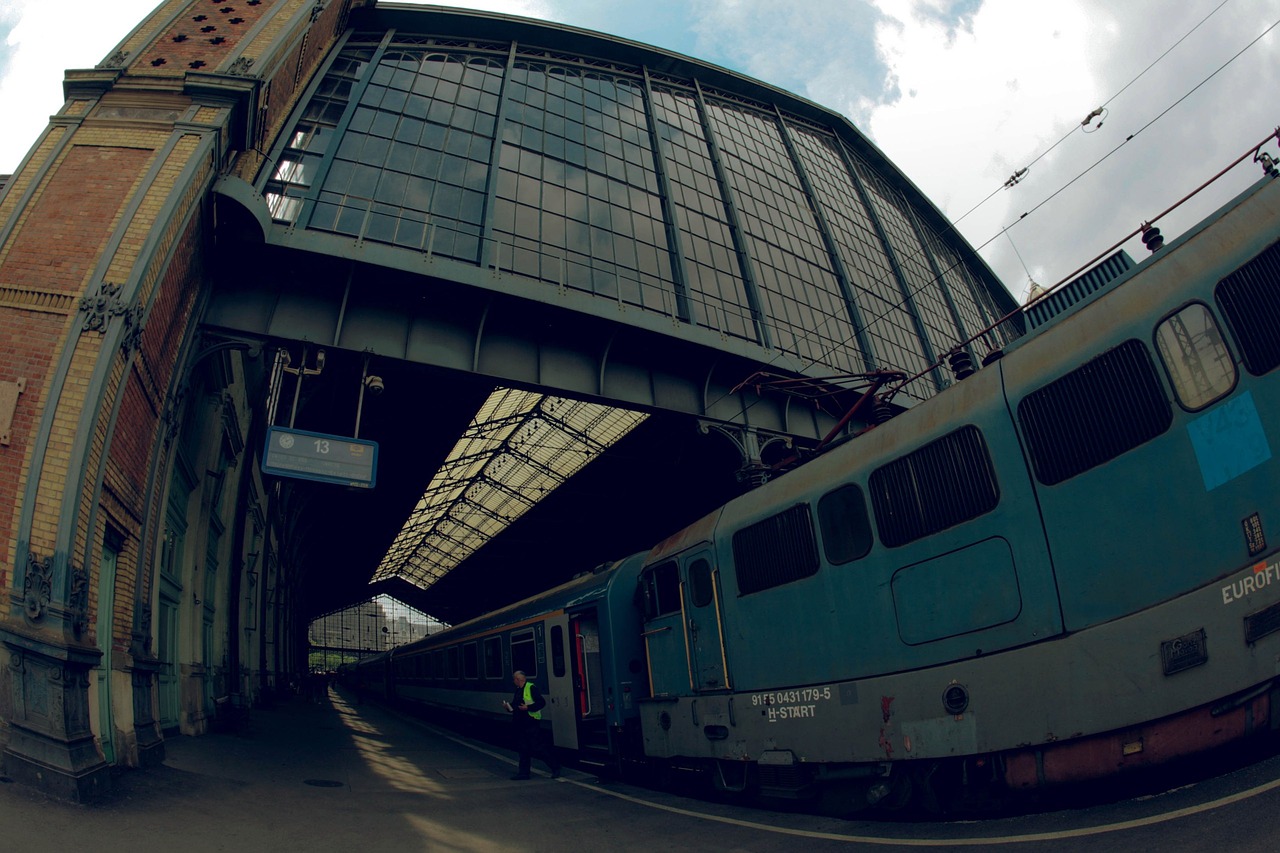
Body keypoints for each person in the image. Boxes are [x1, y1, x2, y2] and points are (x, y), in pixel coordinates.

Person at [506, 670, 561, 780]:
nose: (513, 681)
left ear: (519, 680)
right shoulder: (518, 690)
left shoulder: (531, 688)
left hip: (531, 722)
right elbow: (516, 705)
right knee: (523, 748)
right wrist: (509, 707)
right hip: (520, 723)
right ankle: (523, 773)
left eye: (514, 679)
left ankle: (555, 766)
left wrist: (528, 708)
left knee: (537, 747)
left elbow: (541, 702)